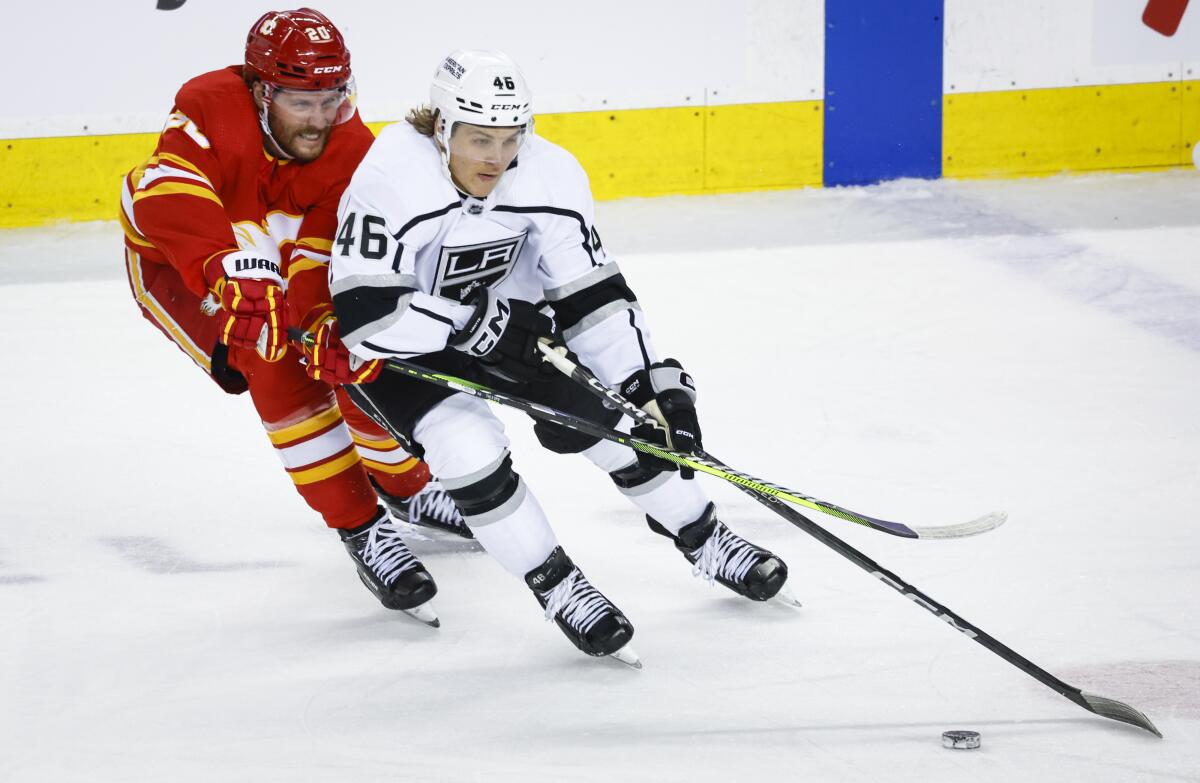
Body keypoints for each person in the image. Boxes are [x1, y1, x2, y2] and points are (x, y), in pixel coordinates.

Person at [328, 50, 796, 664]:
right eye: (478, 139)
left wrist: (652, 383)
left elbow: (593, 296)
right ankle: (559, 587)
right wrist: (472, 325)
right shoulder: (392, 174)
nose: (496, 158)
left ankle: (707, 539)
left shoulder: (549, 173)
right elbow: (366, 318)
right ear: (441, 129)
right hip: (407, 352)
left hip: (515, 332)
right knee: (468, 452)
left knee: (619, 426)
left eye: (509, 138)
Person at [118, 8, 468, 626]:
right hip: (183, 270)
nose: (321, 119)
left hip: (276, 263)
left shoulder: (354, 147)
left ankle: (405, 486)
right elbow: (155, 193)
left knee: (353, 352)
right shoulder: (208, 104)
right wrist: (223, 268)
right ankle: (361, 529)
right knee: (271, 353)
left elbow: (322, 250)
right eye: (302, 103)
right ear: (260, 91)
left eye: (333, 98)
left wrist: (322, 319)